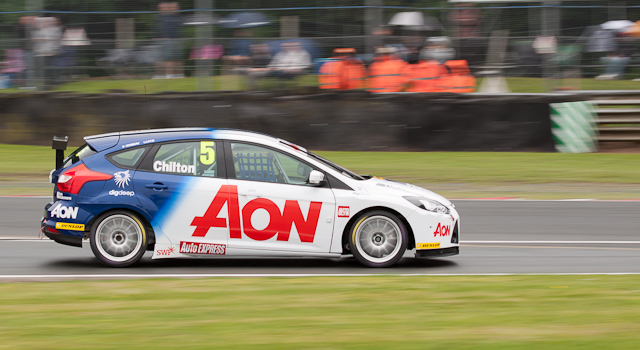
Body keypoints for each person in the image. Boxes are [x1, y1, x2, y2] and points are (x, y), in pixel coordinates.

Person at [154, 2, 184, 79]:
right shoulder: (159, 18)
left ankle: (172, 75)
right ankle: (159, 75)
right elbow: (157, 29)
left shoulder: (176, 17)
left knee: (172, 58)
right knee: (160, 58)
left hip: (172, 39)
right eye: (161, 8)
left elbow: (177, 29)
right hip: (161, 40)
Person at [32, 17, 62, 88]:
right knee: (44, 68)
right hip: (41, 52)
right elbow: (34, 39)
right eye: (44, 22)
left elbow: (57, 40)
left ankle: (54, 82)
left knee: (51, 67)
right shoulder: (38, 30)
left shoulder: (55, 30)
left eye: (47, 22)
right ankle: (46, 82)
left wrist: (55, 49)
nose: (46, 23)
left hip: (51, 52)